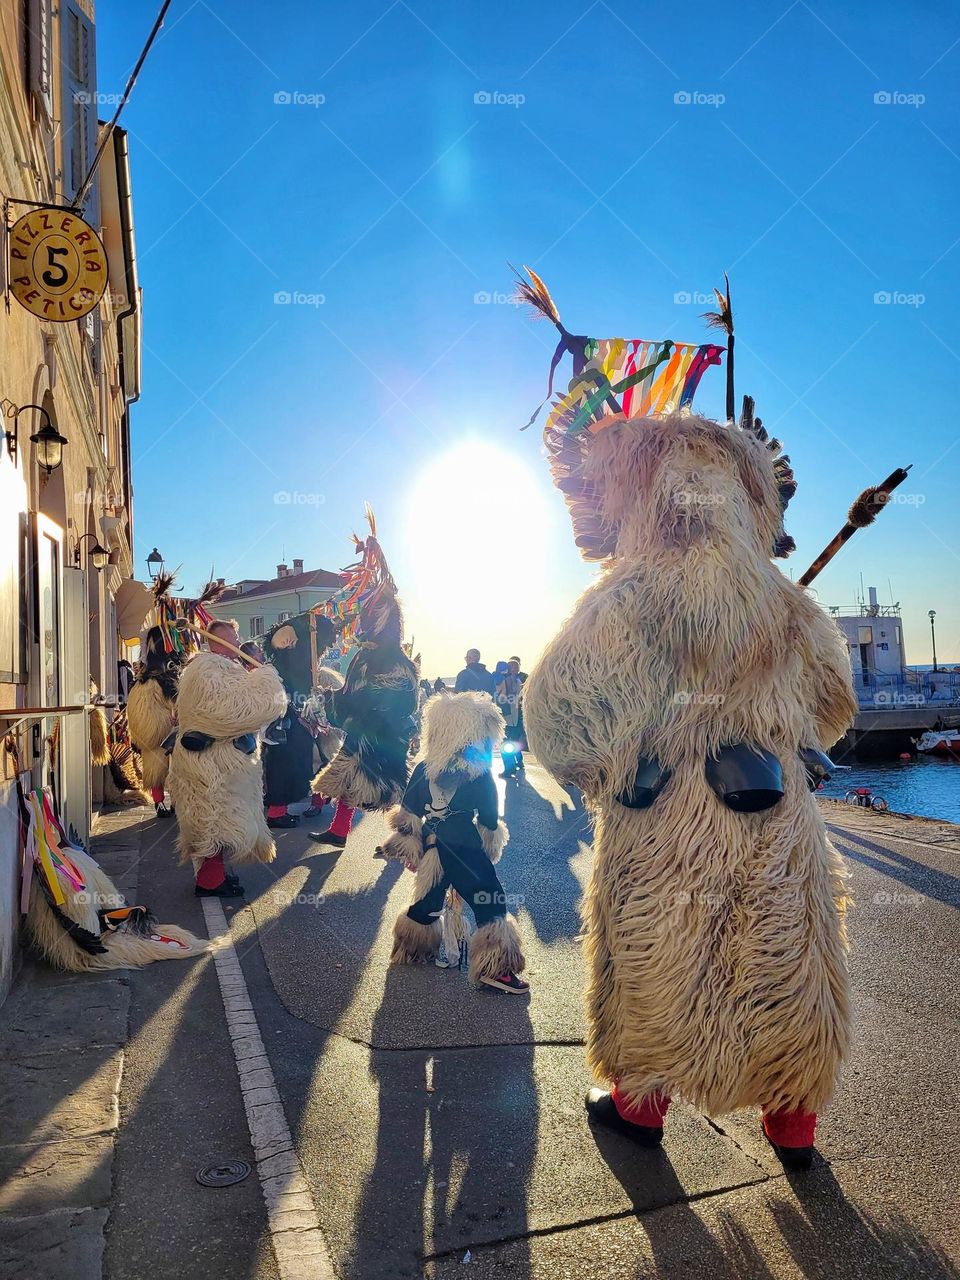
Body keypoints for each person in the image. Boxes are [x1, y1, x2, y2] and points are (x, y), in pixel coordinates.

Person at [518, 271, 856, 1171]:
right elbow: (835, 702)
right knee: (785, 962)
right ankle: (793, 1127)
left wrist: (602, 771)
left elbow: (556, 714)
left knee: (659, 953)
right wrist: (790, 738)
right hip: (776, 813)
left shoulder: (628, 597)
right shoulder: (787, 605)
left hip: (664, 817)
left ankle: (638, 1108)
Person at [384, 691, 528, 994]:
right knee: (491, 902)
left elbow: (408, 815)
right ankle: (496, 969)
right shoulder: (478, 773)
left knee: (428, 902)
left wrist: (414, 849)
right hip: (463, 847)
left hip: (433, 849)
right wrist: (490, 844)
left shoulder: (424, 768)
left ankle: (412, 949)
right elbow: (489, 818)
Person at [311, 518, 419, 837]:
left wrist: (359, 709)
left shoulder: (396, 660)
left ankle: (409, 838)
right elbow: (350, 694)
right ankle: (339, 831)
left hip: (385, 737)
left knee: (393, 790)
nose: (360, 623)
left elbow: (397, 700)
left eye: (368, 616)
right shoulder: (363, 656)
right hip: (363, 735)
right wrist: (329, 699)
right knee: (347, 780)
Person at [167, 651, 288, 897]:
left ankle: (214, 877)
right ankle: (210, 883)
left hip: (212, 762)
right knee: (212, 824)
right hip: (210, 764)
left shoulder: (216, 672)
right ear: (219, 642)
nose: (237, 644)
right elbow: (260, 707)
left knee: (214, 824)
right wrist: (267, 677)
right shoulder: (209, 671)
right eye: (231, 638)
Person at [261, 612, 340, 830]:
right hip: (287, 718)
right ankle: (278, 813)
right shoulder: (288, 661)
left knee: (311, 757)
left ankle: (301, 804)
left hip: (298, 716)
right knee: (285, 763)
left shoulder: (306, 663)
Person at [126, 626, 182, 815]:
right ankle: (174, 802)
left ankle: (159, 803)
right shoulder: (167, 676)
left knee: (154, 765)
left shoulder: (142, 678)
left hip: (151, 729)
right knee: (177, 767)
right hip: (166, 727)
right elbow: (176, 700)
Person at [496, 658, 525, 777]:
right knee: (515, 740)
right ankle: (519, 761)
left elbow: (501, 698)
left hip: (509, 716)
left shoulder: (506, 680)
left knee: (506, 743)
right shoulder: (522, 679)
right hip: (520, 716)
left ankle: (509, 768)